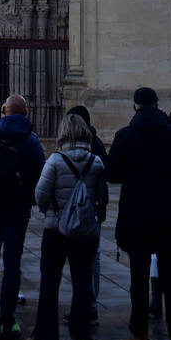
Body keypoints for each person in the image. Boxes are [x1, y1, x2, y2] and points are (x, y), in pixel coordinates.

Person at [106, 86, 171, 340]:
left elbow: (113, 173)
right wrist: (167, 122)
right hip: (168, 213)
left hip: (136, 214)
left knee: (139, 277)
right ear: (157, 105)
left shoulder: (124, 136)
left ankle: (138, 337)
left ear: (134, 107)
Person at [22, 112, 107, 340]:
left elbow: (39, 194)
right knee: (82, 283)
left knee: (50, 282)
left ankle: (42, 336)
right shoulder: (96, 162)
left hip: (56, 229)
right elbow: (103, 199)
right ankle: (79, 338)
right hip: (86, 232)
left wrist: (51, 209)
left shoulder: (56, 161)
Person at [0, 93, 45, 340]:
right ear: (26, 113)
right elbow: (41, 174)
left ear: (3, 110)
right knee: (12, 263)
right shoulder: (32, 142)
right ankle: (7, 320)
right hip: (18, 210)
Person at [67, 105, 107, 322]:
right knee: (90, 258)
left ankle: (87, 304)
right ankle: (87, 304)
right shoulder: (98, 146)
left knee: (84, 259)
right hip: (91, 212)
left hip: (77, 214)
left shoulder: (64, 151)